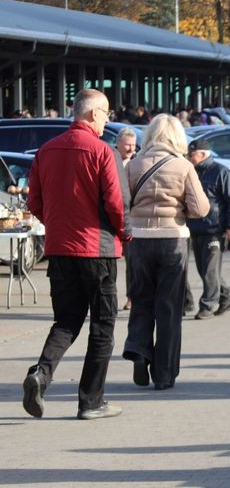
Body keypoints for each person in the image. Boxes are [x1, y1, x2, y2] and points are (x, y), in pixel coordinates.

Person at [22, 88, 128, 420]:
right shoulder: (101, 151)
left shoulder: (46, 150)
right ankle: (90, 401)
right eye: (107, 113)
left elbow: (34, 202)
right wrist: (125, 233)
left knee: (66, 320)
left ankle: (41, 374)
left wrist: (54, 224)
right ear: (93, 113)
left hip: (59, 250)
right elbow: (114, 203)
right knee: (103, 324)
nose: (107, 120)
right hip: (97, 250)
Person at [122, 115, 209, 391]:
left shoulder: (133, 165)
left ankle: (139, 349)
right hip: (173, 240)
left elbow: (121, 202)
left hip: (138, 240)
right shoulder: (183, 166)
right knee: (169, 308)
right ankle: (164, 373)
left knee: (141, 298)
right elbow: (200, 209)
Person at [186, 139, 230, 320]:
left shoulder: (220, 172)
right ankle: (227, 297)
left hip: (214, 229)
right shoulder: (192, 172)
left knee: (210, 270)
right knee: (205, 270)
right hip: (195, 227)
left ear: (202, 154)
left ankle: (207, 305)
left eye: (191, 154)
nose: (188, 157)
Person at [116, 127, 138, 310]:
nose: (131, 149)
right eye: (127, 145)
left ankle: (132, 297)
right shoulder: (111, 159)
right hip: (112, 215)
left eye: (133, 145)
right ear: (118, 144)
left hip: (132, 216)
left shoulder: (139, 162)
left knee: (133, 260)